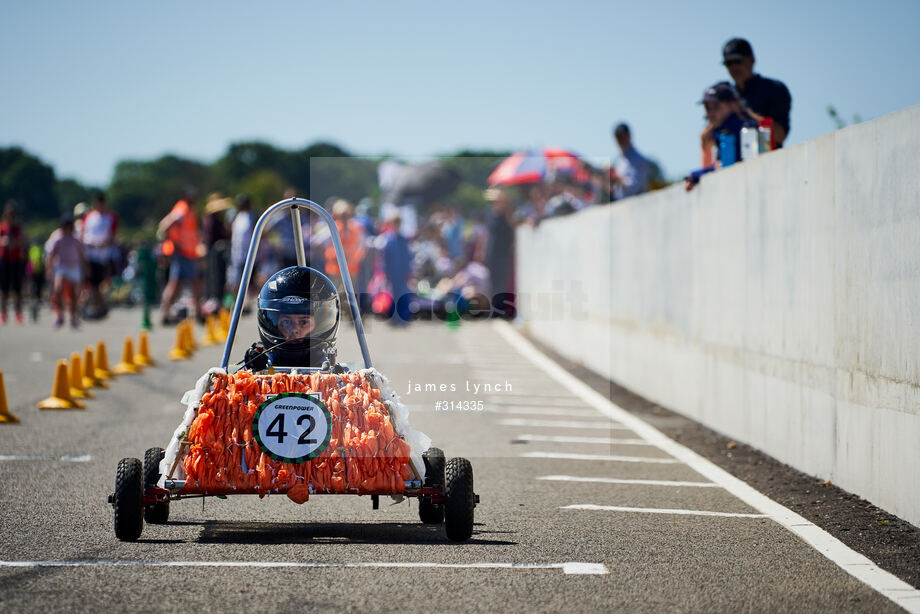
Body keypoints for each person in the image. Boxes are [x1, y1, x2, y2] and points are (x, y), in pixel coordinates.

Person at [240, 266, 340, 370]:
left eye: (303, 322)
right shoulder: (262, 368)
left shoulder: (336, 374)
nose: (295, 330)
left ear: (318, 323)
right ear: (276, 325)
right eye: (286, 322)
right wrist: (252, 370)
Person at [684, 81, 754, 191]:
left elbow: (729, 165)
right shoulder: (720, 130)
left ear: (732, 105)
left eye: (716, 107)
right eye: (707, 108)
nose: (710, 113)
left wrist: (696, 175)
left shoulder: (740, 128)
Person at [722, 37, 791, 147]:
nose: (733, 67)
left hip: (767, 160)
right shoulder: (725, 95)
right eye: (729, 63)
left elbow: (780, 136)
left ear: (752, 60)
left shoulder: (774, 89)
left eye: (737, 61)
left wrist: (746, 113)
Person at [157, 189, 203, 324]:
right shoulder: (182, 210)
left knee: (180, 284)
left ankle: (167, 313)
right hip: (182, 254)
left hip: (188, 253)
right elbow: (164, 226)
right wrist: (173, 243)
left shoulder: (188, 210)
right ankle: (167, 314)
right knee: (179, 284)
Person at [80, 191, 118, 319]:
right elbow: (83, 233)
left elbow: (113, 236)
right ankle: (93, 306)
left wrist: (102, 244)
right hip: (88, 254)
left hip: (101, 256)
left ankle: (100, 306)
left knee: (96, 284)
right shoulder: (88, 216)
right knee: (89, 283)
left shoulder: (110, 216)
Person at [44, 216, 85, 329]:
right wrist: (49, 268)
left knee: (73, 294)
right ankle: (59, 315)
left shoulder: (76, 239)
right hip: (62, 266)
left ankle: (73, 318)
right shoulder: (58, 238)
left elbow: (82, 254)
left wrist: (86, 267)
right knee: (58, 289)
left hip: (74, 267)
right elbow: (52, 254)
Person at [0, 201, 26, 324]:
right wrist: (3, 242)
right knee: (4, 290)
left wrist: (14, 242)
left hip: (15, 260)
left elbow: (22, 241)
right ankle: (3, 313)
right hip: (5, 260)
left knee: (17, 289)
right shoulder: (2, 228)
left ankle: (18, 312)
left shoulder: (17, 229)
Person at [611, 123, 651, 199]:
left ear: (628, 135)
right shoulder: (619, 159)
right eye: (617, 138)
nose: (619, 141)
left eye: (621, 137)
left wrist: (615, 175)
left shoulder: (639, 160)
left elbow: (634, 188)